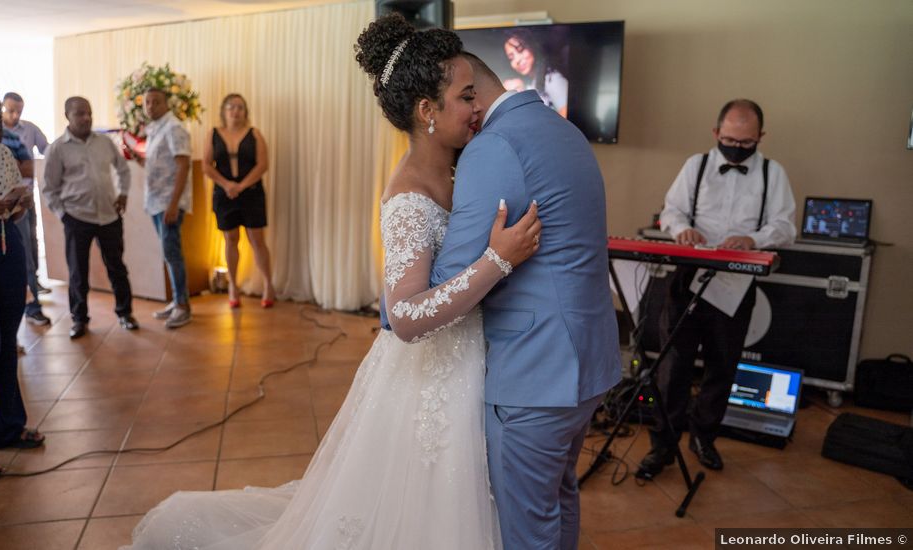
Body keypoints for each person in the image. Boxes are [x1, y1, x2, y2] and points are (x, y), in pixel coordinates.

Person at [122, 14, 541, 549]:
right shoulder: (408, 195)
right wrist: (497, 262)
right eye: (466, 96)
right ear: (427, 111)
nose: (479, 105)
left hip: (460, 365)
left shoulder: (463, 170)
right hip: (426, 375)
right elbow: (406, 316)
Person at [430, 51, 621, 550]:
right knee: (559, 496)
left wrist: (397, 295)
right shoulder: (563, 129)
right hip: (588, 361)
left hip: (537, 373)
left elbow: (449, 275)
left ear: (471, 93)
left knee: (526, 528)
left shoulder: (494, 145)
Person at [637, 99, 796, 479]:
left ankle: (704, 437)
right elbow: (670, 211)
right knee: (673, 365)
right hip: (689, 274)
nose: (736, 149)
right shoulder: (697, 165)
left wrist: (754, 239)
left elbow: (787, 227)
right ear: (715, 134)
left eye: (745, 143)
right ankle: (662, 444)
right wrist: (681, 230)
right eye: (729, 140)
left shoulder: (774, 174)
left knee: (722, 365)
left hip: (736, 282)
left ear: (760, 137)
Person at [0, 70, 44, 484]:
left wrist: (17, 203)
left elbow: (15, 189)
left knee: (5, 341)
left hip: (5, 246)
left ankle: (9, 427)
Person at [42, 97, 137, 339]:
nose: (86, 118)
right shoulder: (57, 148)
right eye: (80, 114)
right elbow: (49, 189)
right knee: (77, 272)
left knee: (117, 267)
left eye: (89, 113)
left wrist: (123, 194)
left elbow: (123, 169)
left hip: (109, 216)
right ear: (67, 116)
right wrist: (64, 216)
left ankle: (125, 313)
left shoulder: (104, 142)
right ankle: (79, 320)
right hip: (77, 218)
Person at [202, 94, 275, 308]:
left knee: (257, 240)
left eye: (240, 107)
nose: (235, 111)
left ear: (246, 112)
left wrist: (240, 186)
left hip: (251, 193)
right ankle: (233, 285)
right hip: (224, 195)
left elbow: (263, 164)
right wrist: (227, 185)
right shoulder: (213, 134)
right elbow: (206, 165)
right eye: (231, 107)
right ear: (224, 111)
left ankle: (268, 284)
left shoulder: (254, 134)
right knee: (230, 239)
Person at [129, 87, 192, 329]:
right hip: (157, 201)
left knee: (173, 253)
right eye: (147, 102)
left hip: (168, 202)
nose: (150, 107)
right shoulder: (157, 129)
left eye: (156, 102)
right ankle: (177, 300)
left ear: (167, 104)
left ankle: (183, 306)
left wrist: (174, 204)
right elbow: (161, 164)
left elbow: (183, 166)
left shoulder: (174, 127)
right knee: (169, 253)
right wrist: (141, 160)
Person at [2, 92, 51, 301]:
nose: (14, 115)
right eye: (10, 110)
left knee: (31, 242)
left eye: (18, 111)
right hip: (3, 202)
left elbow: (45, 152)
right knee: (16, 250)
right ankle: (28, 300)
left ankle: (34, 287)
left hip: (26, 197)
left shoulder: (28, 130)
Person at [501, 29, 569, 118]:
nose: (517, 60)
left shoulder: (551, 79)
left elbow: (568, 120)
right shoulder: (530, 84)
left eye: (520, 50)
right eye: (511, 58)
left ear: (532, 46)